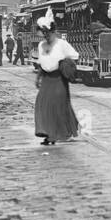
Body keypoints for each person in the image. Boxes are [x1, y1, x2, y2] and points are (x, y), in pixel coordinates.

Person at [33, 9, 79, 145]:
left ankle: (54, 135)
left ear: (50, 31)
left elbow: (74, 56)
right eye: (42, 34)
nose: (44, 36)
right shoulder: (41, 45)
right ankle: (48, 132)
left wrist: (65, 64)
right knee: (42, 104)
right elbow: (42, 63)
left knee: (57, 106)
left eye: (45, 33)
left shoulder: (61, 44)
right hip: (47, 79)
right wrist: (38, 77)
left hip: (59, 79)